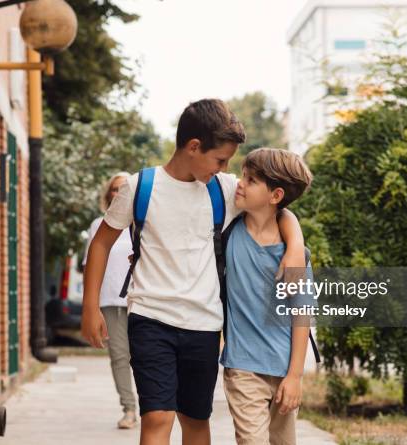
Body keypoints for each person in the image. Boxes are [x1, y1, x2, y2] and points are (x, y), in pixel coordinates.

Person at [82, 99, 307, 445]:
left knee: (195, 421)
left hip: (203, 325)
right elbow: (100, 243)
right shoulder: (139, 187)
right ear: (193, 147)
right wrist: (90, 306)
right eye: (220, 160)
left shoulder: (225, 189)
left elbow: (277, 208)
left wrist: (294, 245)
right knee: (157, 416)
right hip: (149, 317)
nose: (225, 168)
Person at [220, 147, 314, 445]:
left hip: (284, 368)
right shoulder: (229, 230)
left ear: (275, 196)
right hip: (243, 367)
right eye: (243, 176)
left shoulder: (293, 255)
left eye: (250, 180)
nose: (241, 183)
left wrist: (295, 376)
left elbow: (302, 314)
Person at [81, 172, 137, 429]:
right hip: (110, 300)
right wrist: (90, 307)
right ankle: (129, 409)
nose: (118, 193)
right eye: (114, 189)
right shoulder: (98, 225)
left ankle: (153, 407)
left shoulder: (142, 222)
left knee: (146, 356)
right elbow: (90, 264)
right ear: (108, 194)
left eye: (122, 189)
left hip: (141, 300)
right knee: (118, 356)